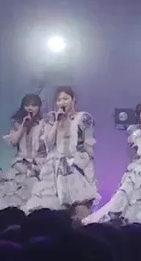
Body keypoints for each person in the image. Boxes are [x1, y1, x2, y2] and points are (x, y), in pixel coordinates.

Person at [24, 86, 99, 219]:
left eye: (65, 99)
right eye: (59, 100)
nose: (62, 103)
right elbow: (48, 142)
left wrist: (86, 168)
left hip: (74, 165)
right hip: (54, 166)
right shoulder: (51, 117)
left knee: (79, 207)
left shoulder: (84, 117)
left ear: (73, 99)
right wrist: (57, 122)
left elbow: (88, 146)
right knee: (51, 207)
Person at [0, 93, 45, 211]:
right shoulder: (17, 124)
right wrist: (23, 125)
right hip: (20, 165)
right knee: (15, 197)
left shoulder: (44, 124)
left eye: (34, 105)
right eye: (27, 105)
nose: (30, 108)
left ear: (39, 107)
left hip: (38, 165)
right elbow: (13, 142)